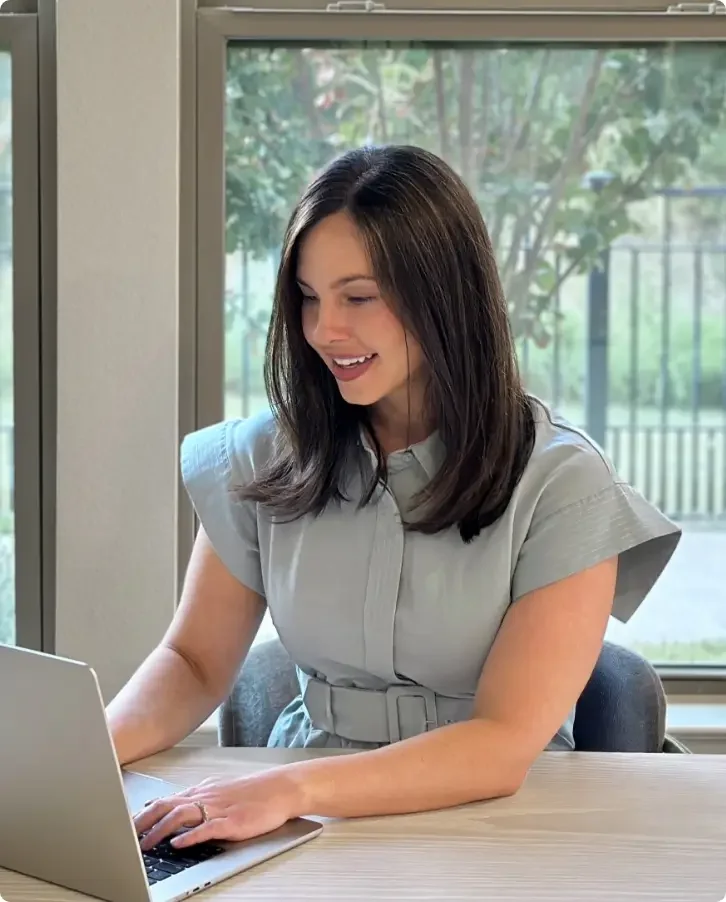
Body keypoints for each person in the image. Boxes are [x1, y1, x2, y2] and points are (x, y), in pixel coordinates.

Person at [108, 144, 681, 851]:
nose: (324, 330)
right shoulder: (262, 457)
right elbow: (193, 663)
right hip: (302, 829)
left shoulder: (562, 483)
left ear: (443, 293)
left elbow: (500, 744)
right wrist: (84, 755)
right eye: (309, 298)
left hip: (500, 827)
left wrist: (294, 789)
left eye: (358, 297)